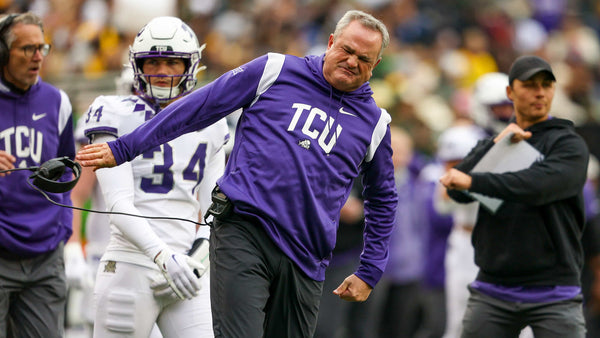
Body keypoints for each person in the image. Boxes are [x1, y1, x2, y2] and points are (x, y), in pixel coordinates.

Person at [77, 9, 398, 337]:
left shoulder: (375, 123)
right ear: (331, 42)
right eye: (346, 50)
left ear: (375, 65)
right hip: (245, 231)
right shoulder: (275, 69)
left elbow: (383, 199)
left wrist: (370, 269)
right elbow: (199, 106)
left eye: (364, 58)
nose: (352, 61)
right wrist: (124, 148)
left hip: (306, 255)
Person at [82, 16, 228, 337]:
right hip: (131, 264)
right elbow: (119, 203)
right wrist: (164, 257)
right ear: (137, 64)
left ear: (190, 65)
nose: (162, 72)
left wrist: (195, 258)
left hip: (187, 271)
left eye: (172, 62)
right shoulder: (113, 110)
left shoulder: (212, 122)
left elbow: (214, 209)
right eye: (153, 61)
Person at [439, 55, 589, 337]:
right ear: (511, 92)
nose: (540, 92)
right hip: (493, 286)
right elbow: (456, 194)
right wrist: (497, 146)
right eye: (530, 85)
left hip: (554, 288)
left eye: (547, 85)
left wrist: (474, 180)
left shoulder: (568, 143)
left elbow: (537, 186)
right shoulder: (497, 141)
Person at [0, 12, 75, 337]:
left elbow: (66, 167)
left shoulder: (58, 102)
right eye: (27, 49)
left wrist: (64, 225)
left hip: (46, 254)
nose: (37, 57)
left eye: (41, 48)